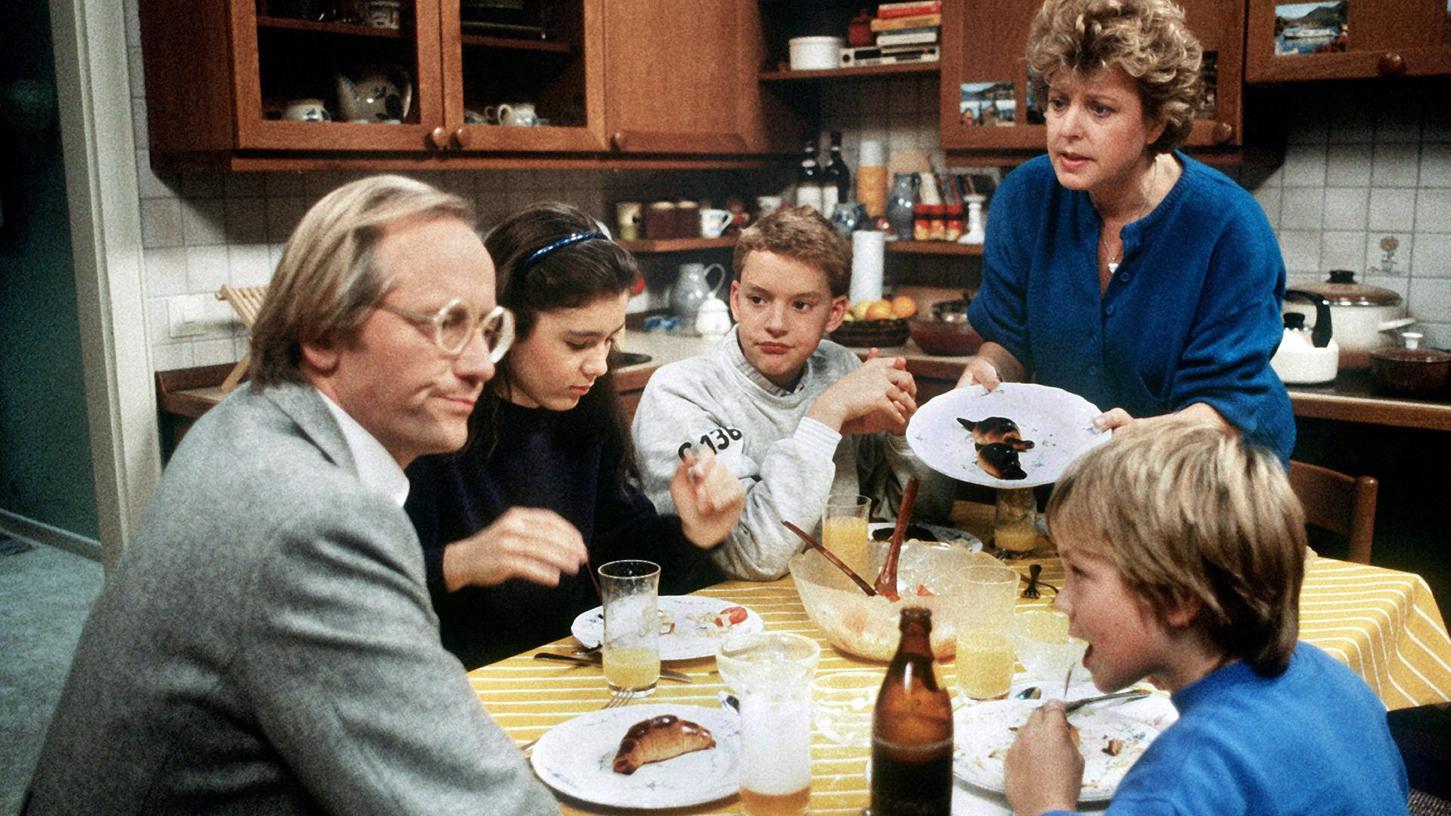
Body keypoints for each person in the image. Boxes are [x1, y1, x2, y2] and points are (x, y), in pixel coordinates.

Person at [24, 176, 559, 815]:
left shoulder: (242, 417)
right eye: (448, 324)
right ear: (323, 334)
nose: (481, 364)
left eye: (488, 328)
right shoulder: (316, 521)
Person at [1003, 415, 1409, 816]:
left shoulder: (1178, 781)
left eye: (1079, 573)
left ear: (1178, 598)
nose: (1061, 602)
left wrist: (1045, 803)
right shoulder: (1336, 678)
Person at [405, 202, 744, 668]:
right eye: (578, 343)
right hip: (468, 686)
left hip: (568, 668)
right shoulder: (430, 428)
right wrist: (460, 562)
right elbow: (351, 595)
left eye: (610, 340)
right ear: (502, 326)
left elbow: (620, 562)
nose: (600, 365)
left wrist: (693, 534)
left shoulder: (585, 410)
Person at [958, 0, 1295, 464]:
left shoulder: (1229, 225)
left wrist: (1144, 438)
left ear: (1156, 122)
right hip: (1087, 471)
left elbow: (1227, 407)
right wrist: (988, 368)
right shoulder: (1026, 197)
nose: (1067, 129)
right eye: (1059, 103)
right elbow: (1009, 339)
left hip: (1216, 484)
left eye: (1099, 109)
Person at [631, 206, 952, 581]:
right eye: (758, 300)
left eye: (801, 305)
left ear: (835, 314)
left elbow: (918, 518)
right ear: (735, 300)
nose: (776, 325)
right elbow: (755, 555)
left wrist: (903, 435)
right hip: (722, 612)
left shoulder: (839, 367)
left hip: (823, 595)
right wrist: (825, 415)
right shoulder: (680, 392)